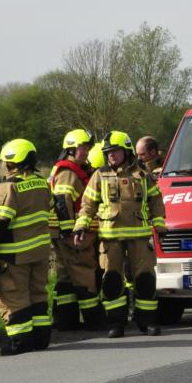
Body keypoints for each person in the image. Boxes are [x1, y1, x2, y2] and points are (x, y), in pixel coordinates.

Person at [74, 131, 167, 338]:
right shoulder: (99, 175)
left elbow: (156, 201)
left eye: (115, 151)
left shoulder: (142, 174)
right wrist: (81, 226)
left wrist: (160, 225)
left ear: (126, 151)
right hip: (110, 238)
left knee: (145, 279)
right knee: (112, 280)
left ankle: (147, 322)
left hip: (140, 236)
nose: (111, 156)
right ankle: (116, 323)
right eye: (108, 153)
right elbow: (87, 205)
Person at [0, 139, 54, 355]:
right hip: (40, 252)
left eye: (5, 162)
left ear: (12, 162)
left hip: (13, 255)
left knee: (14, 296)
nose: (4, 165)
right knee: (38, 294)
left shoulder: (8, 187)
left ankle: (20, 342)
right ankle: (41, 339)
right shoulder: (42, 184)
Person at [48, 129, 104, 330]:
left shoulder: (68, 170)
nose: (87, 152)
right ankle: (94, 319)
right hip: (74, 235)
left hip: (63, 233)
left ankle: (65, 320)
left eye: (88, 148)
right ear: (71, 150)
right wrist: (70, 233)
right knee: (83, 274)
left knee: (65, 277)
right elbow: (62, 203)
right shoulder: (69, 173)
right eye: (83, 148)